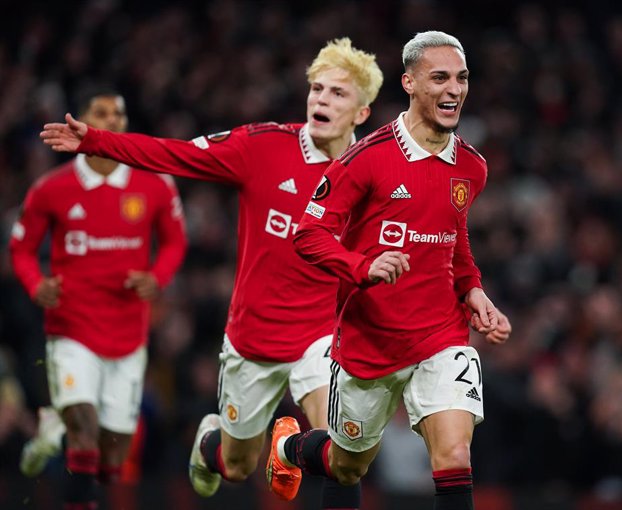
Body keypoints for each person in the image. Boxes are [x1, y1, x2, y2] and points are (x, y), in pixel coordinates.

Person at [40, 38, 383, 509]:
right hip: (254, 338)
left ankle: (289, 449)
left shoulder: (371, 174)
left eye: (337, 94)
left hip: (323, 337)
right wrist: (96, 141)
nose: (321, 100)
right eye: (317, 89)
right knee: (238, 466)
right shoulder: (261, 147)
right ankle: (210, 443)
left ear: (362, 112)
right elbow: (174, 154)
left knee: (341, 447)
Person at [266, 31, 512, 510]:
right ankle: (290, 448)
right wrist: (362, 266)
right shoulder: (368, 159)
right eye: (439, 78)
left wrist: (473, 289)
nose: (454, 90)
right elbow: (307, 234)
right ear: (410, 83)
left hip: (442, 333)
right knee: (347, 465)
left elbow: (452, 240)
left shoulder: (472, 167)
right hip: (371, 339)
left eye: (461, 78)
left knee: (455, 454)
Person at [11, 89, 187, 510]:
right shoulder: (52, 188)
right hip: (71, 329)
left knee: (112, 460)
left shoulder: (155, 184)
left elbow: (175, 242)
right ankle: (68, 433)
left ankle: (52, 431)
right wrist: (37, 285)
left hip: (128, 333)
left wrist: (157, 278)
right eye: (101, 112)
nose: (112, 119)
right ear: (82, 119)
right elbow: (20, 249)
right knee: (86, 432)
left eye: (119, 113)